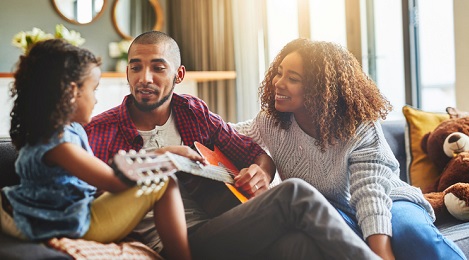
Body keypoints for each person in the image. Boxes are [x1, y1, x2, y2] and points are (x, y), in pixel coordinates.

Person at [85, 31, 380, 259]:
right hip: (181, 241)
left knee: (298, 246)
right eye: (135, 68)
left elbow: (252, 152)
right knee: (294, 192)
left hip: (217, 226)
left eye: (158, 68)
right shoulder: (99, 132)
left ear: (179, 75)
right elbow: (80, 202)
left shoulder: (191, 112)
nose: (144, 78)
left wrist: (260, 172)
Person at [230, 38, 467, 260]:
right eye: (279, 72)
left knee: (412, 236)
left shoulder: (359, 125)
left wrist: (381, 255)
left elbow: (370, 196)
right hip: (331, 212)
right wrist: (193, 113)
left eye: (292, 78)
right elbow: (227, 135)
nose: (278, 83)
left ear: (319, 89)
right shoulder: (271, 121)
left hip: (389, 201)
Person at [0, 39, 195, 260]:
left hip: (67, 211)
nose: (96, 99)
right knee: (166, 182)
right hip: (72, 224)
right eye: (93, 89)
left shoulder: (64, 129)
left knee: (159, 181)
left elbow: (99, 181)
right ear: (73, 93)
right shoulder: (59, 145)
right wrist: (165, 158)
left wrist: (161, 153)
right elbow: (114, 182)